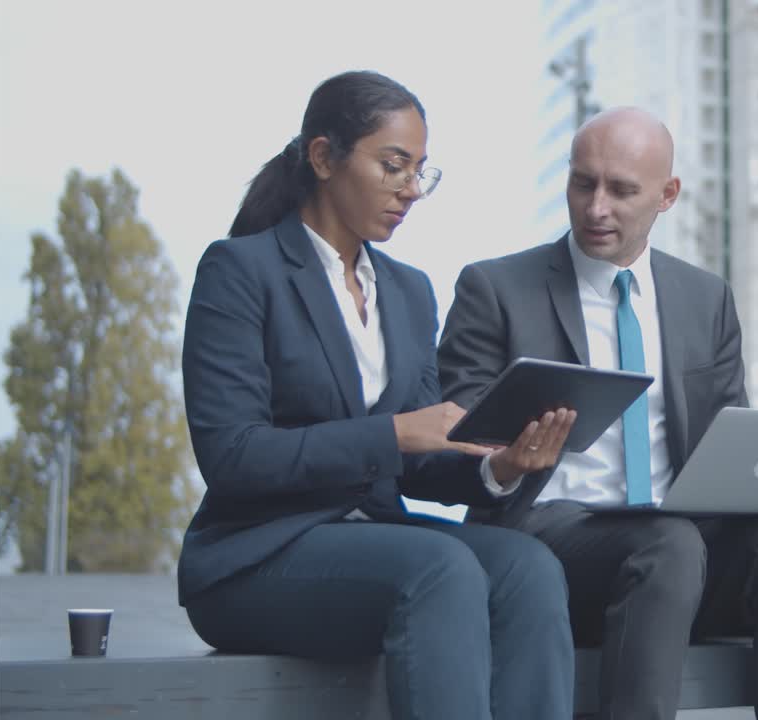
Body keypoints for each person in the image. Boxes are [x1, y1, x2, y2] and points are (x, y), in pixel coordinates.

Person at [178, 70, 577, 720]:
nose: (412, 190)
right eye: (394, 167)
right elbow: (234, 457)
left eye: (422, 171)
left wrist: (499, 467)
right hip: (257, 558)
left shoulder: (408, 290)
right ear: (324, 157)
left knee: (528, 568)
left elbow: (419, 463)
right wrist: (393, 433)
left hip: (381, 547)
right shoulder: (240, 272)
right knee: (440, 569)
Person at [438, 107, 758, 720]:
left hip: (679, 553)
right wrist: (506, 460)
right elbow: (454, 440)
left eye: (622, 190)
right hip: (548, 544)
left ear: (667, 195)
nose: (597, 208)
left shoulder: (705, 299)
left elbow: (730, 439)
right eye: (583, 183)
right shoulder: (494, 289)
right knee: (667, 543)